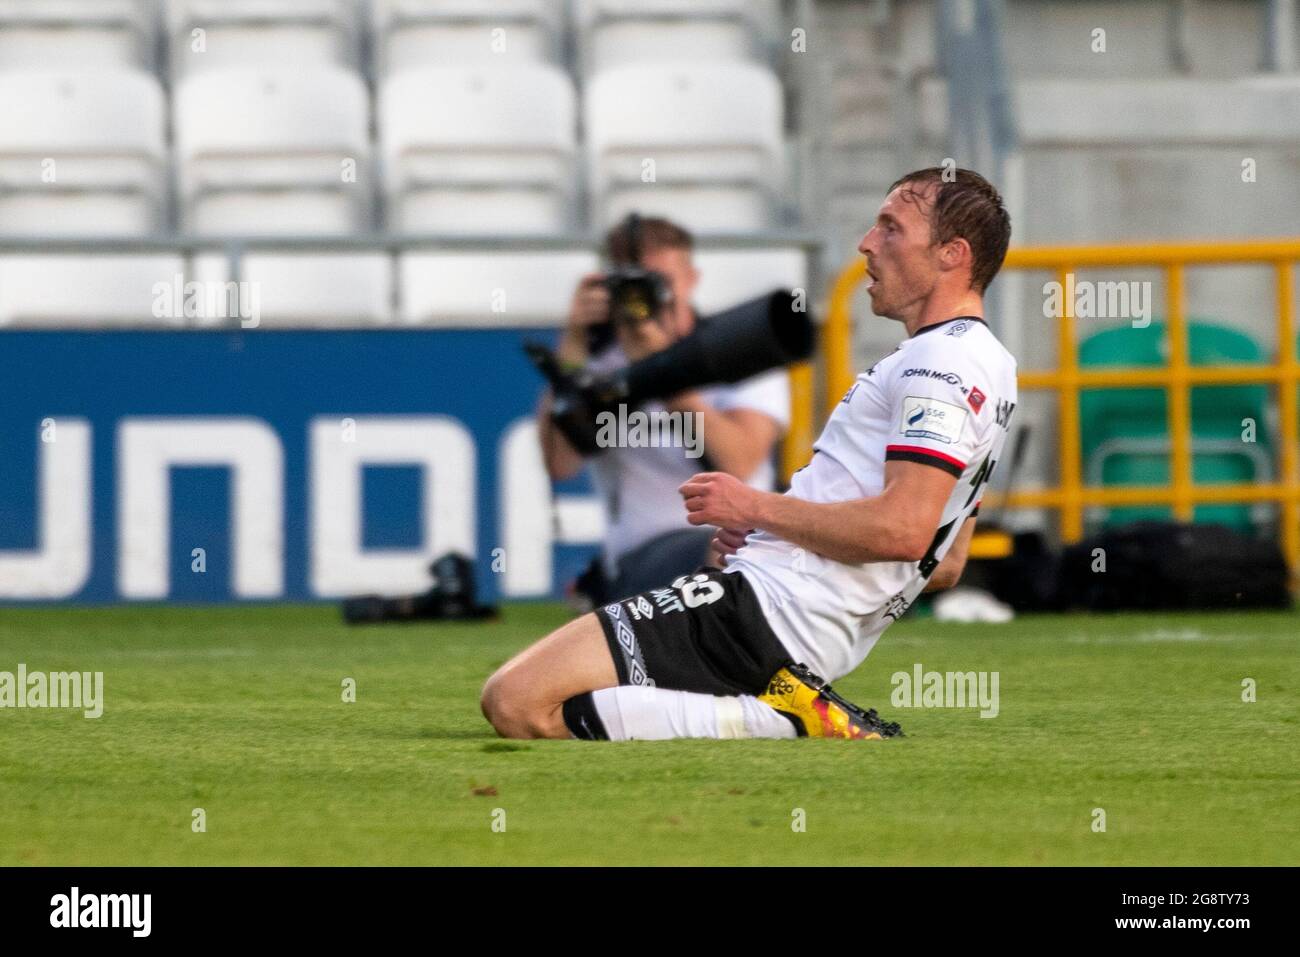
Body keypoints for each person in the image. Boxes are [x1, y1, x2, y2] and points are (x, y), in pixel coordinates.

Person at [485, 167, 1017, 741]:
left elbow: (904, 532)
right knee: (571, 699)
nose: (867, 242)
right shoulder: (988, 364)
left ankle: (785, 717)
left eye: (891, 228)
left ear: (951, 254)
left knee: (516, 702)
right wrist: (779, 532)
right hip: (800, 619)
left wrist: (756, 510)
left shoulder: (937, 365)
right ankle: (782, 704)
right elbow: (946, 563)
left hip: (767, 609)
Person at [537, 216, 789, 603]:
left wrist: (660, 371)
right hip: (649, 552)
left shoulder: (740, 354)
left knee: (743, 546)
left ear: (691, 278)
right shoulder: (599, 370)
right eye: (634, 285)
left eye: (661, 284)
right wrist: (571, 350)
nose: (651, 299)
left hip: (749, 536)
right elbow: (560, 464)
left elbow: (739, 462)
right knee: (728, 553)